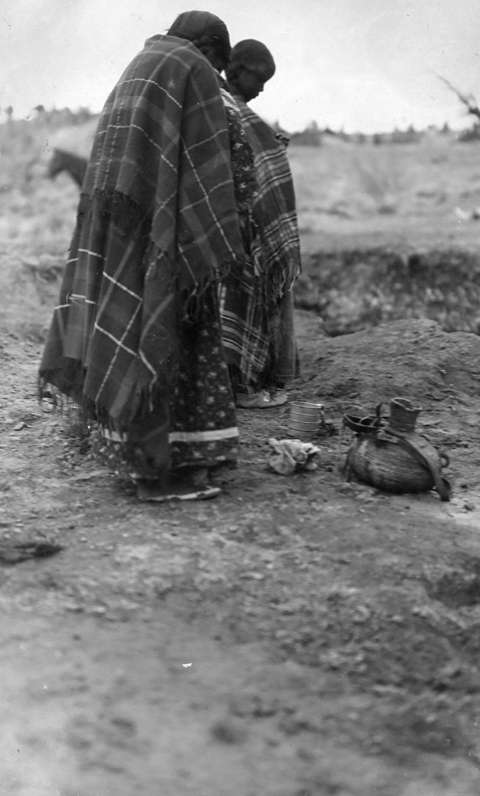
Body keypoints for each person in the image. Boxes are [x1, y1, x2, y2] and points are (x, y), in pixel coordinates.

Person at [38, 11, 249, 502]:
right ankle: (159, 474)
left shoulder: (140, 63)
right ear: (211, 47)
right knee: (165, 333)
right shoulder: (189, 67)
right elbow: (204, 162)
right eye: (219, 60)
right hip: (162, 237)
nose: (217, 72)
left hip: (116, 232)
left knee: (127, 331)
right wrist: (214, 236)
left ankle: (135, 459)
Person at [222, 40, 302, 409]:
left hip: (245, 225)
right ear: (236, 70)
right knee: (241, 295)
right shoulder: (224, 106)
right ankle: (243, 384)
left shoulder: (238, 111)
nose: (262, 88)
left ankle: (248, 380)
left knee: (248, 296)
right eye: (259, 78)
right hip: (237, 226)